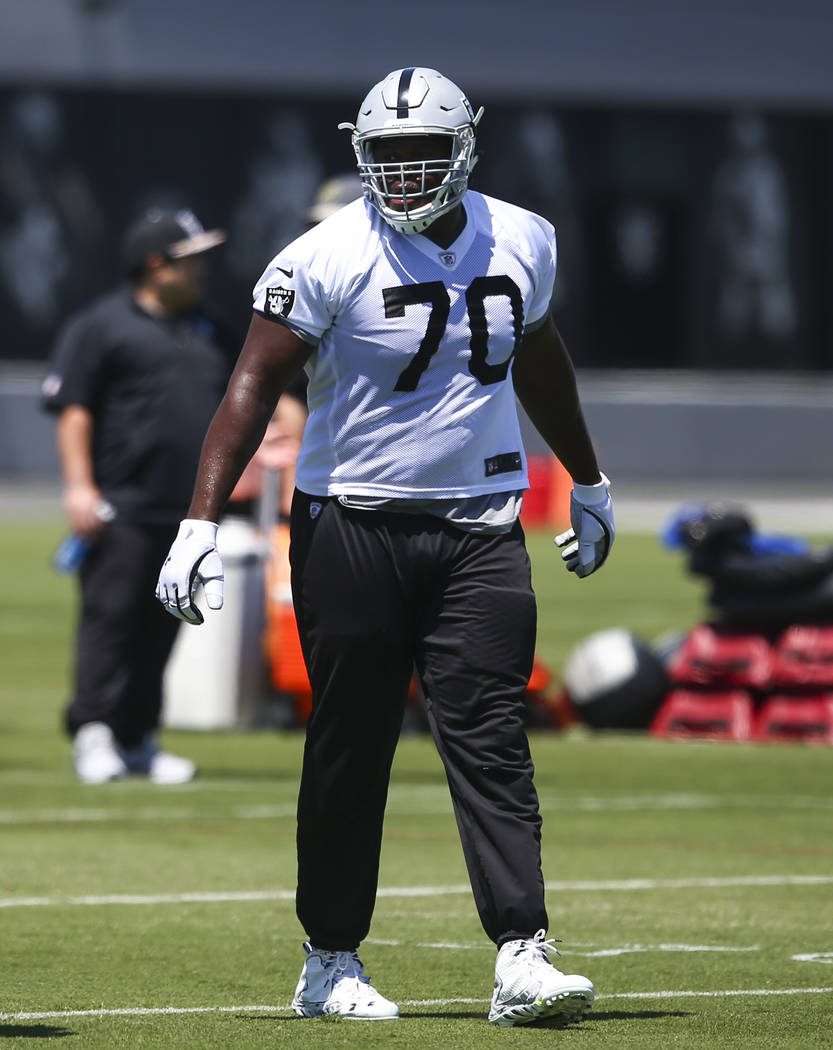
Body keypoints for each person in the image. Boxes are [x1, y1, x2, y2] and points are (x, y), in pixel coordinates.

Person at [156, 68, 614, 1026]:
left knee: (491, 737)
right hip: (349, 524)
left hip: (481, 525)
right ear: (359, 157)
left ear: (464, 148)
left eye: (422, 152)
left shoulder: (523, 235)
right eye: (386, 155)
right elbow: (247, 386)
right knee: (350, 742)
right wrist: (201, 519)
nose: (403, 173)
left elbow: (537, 358)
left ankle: (521, 952)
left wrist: (589, 476)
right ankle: (329, 959)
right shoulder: (321, 255)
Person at [43, 208, 236, 785]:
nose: (203, 269)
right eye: (190, 258)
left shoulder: (212, 330)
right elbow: (72, 408)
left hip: (189, 514)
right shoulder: (101, 325)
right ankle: (95, 732)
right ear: (156, 265)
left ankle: (137, 737)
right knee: (112, 620)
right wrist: (80, 486)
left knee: (165, 623)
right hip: (121, 505)